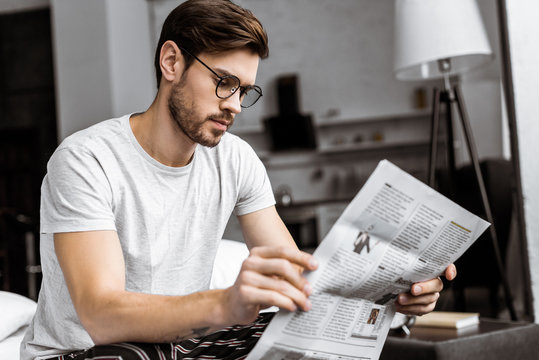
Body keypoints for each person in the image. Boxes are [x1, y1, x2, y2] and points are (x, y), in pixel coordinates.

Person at [21, 0, 456, 359]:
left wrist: (388, 294)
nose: (235, 106)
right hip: (82, 354)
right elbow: (102, 316)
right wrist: (226, 303)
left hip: (178, 345)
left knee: (302, 333)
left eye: (244, 90)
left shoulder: (235, 159)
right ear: (171, 61)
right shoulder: (85, 159)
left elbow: (296, 278)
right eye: (224, 83)